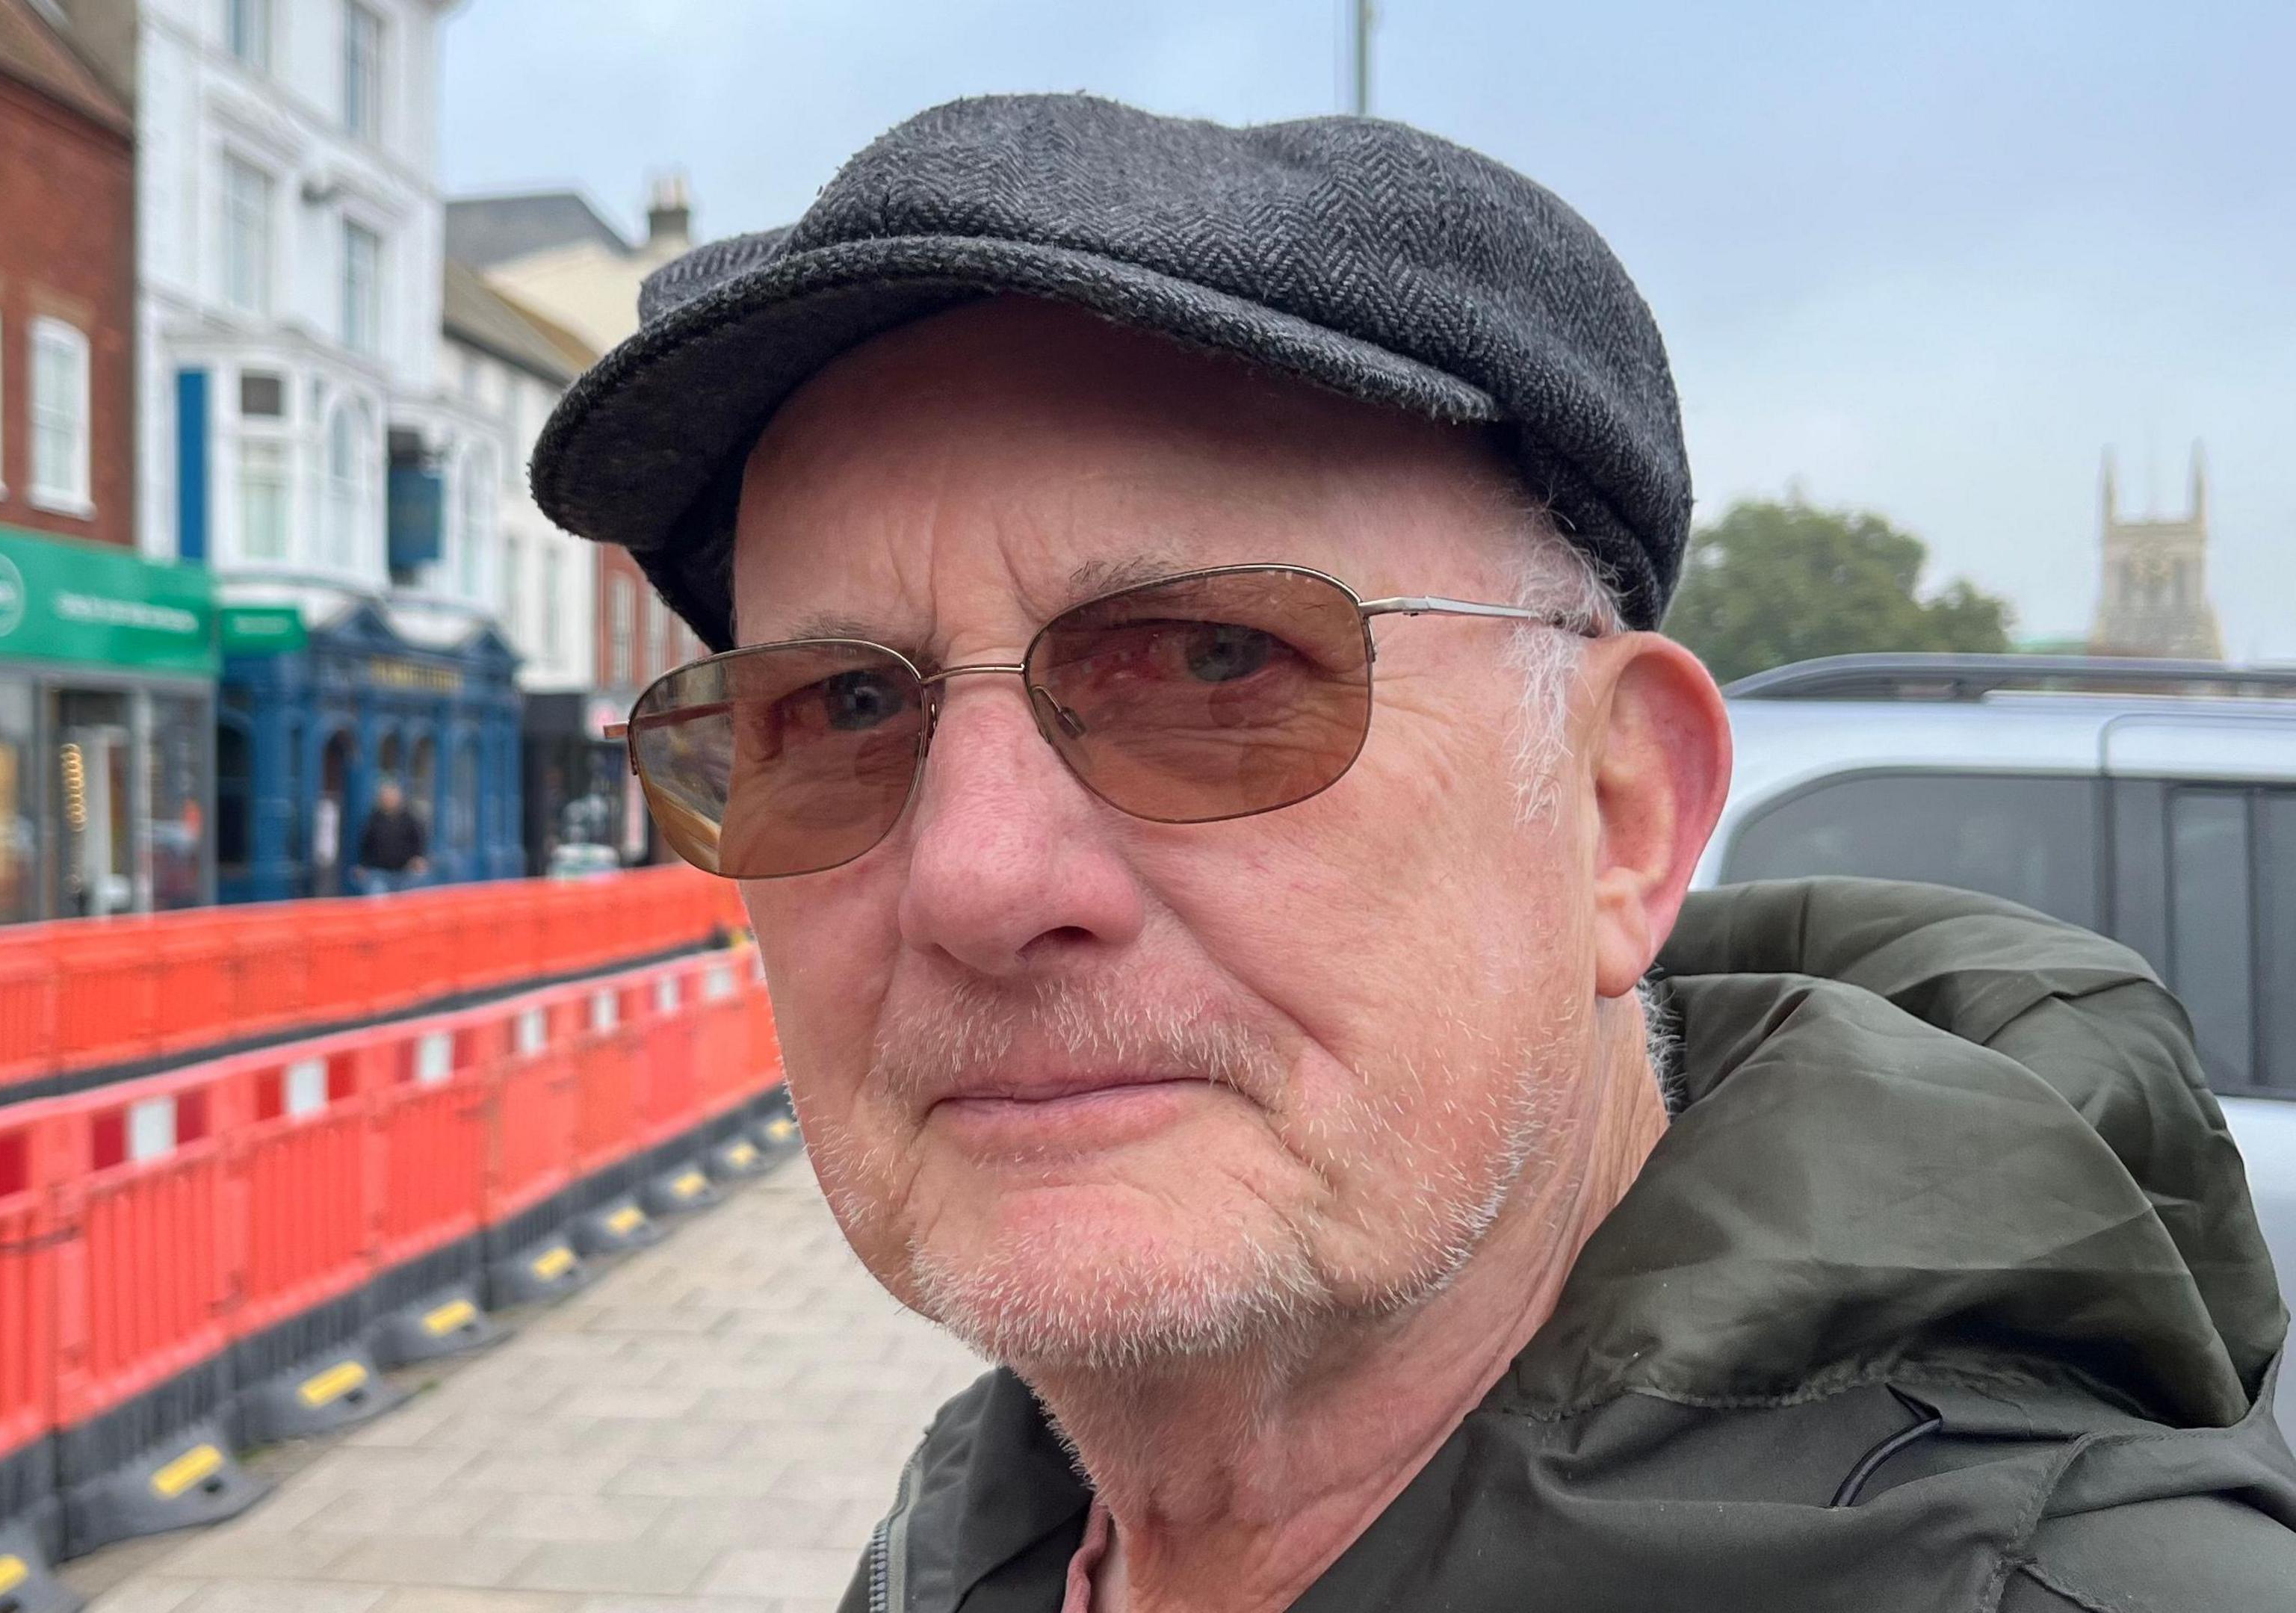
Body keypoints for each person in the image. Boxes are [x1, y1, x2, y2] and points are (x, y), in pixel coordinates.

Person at [532, 96, 2296, 1612]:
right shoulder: (984, 1525)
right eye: (837, 707)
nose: (977, 879)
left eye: (1214, 664)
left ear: (1617, 818)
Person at [352, 781, 429, 894]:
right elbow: (365, 844)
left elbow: (419, 840)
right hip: (378, 872)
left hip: (405, 872)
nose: (389, 800)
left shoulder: (410, 819)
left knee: (405, 905)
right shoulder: (372, 820)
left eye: (392, 797)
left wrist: (419, 859)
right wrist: (363, 866)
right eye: (386, 797)